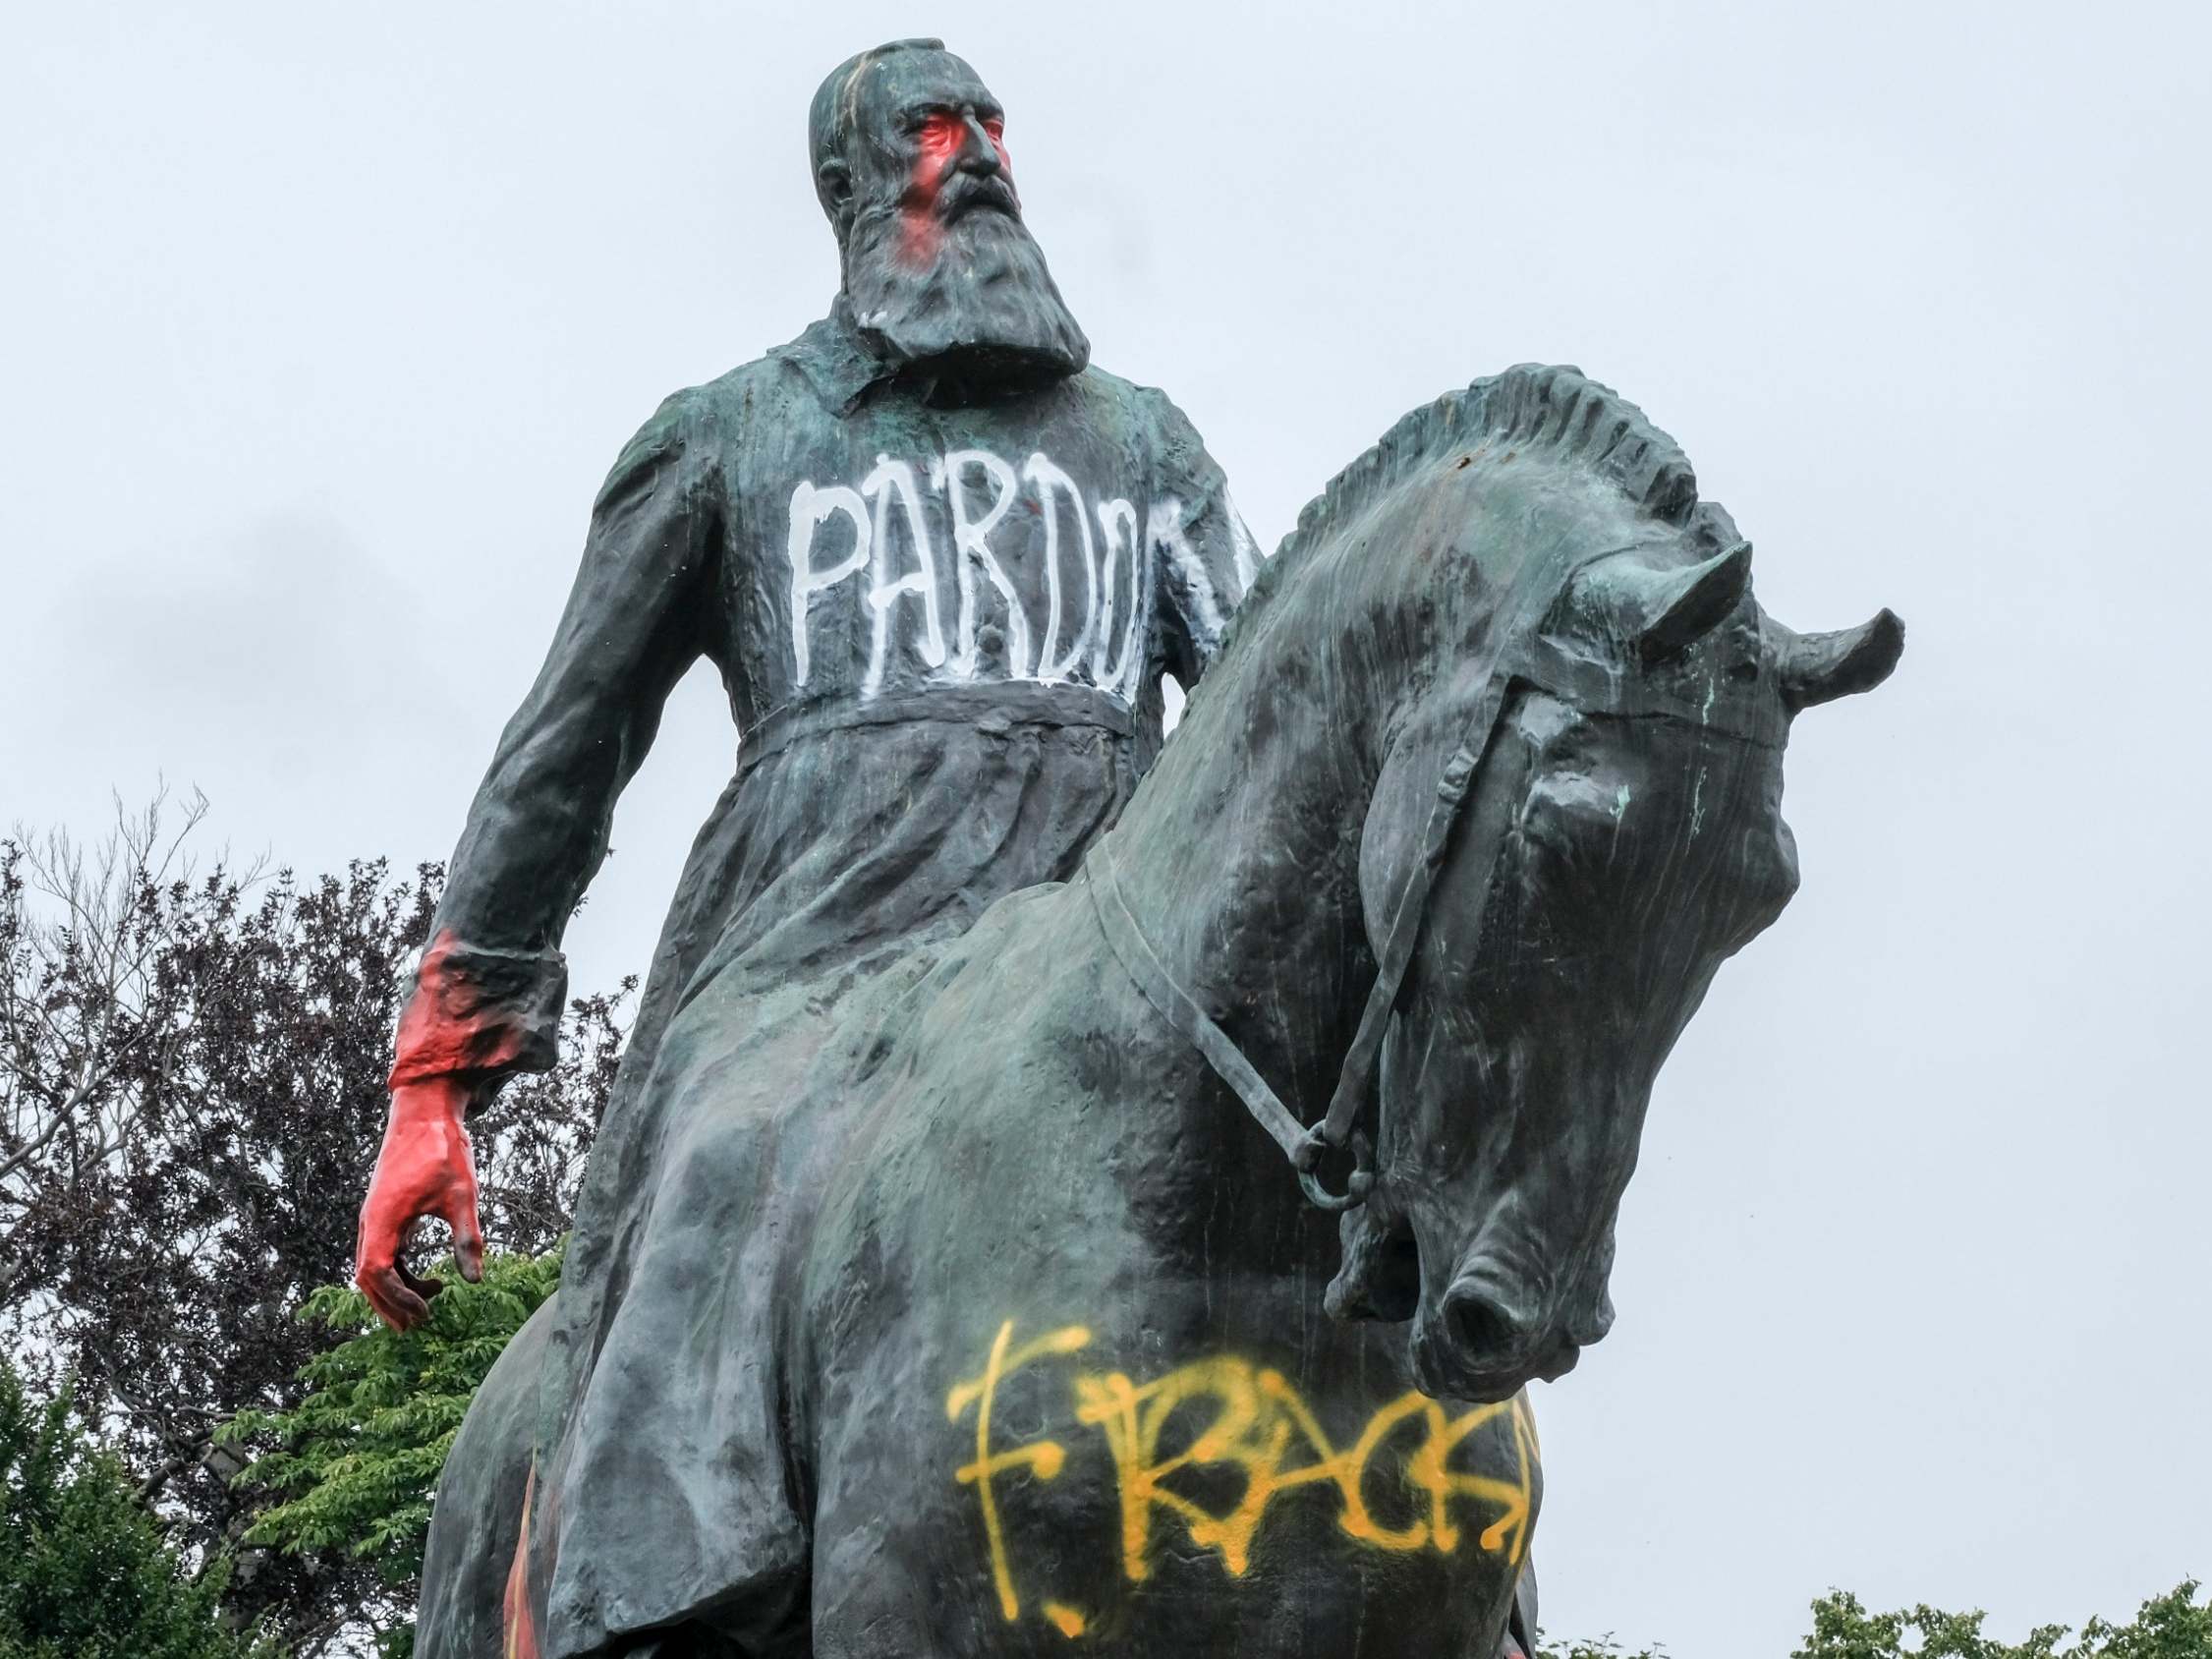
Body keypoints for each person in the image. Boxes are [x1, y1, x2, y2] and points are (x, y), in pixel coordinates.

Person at [357, 38, 1263, 1657]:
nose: (976, 153)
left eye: (991, 124)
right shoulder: (728, 437)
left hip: (1109, 960)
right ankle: (652, 1609)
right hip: (815, 978)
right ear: (850, 186)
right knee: (720, 1167)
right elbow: (564, 753)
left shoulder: (1148, 448)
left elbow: (1270, 705)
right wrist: (441, 1080)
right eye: (931, 130)